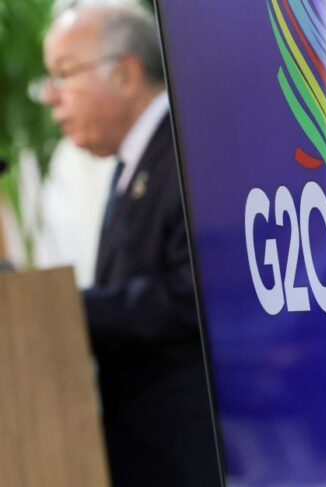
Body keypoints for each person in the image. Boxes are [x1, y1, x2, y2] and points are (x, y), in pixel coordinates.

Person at [41, 4, 219, 486]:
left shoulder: (186, 150)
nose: (50, 96)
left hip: (190, 456)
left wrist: (64, 308)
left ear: (124, 74)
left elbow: (190, 297)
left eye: (63, 74)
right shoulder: (132, 163)